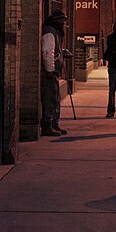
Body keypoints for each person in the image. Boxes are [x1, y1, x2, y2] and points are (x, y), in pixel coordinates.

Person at [40, 8, 71, 136]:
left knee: (55, 98)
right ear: (56, 21)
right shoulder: (49, 32)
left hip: (54, 71)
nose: (63, 23)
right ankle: (47, 125)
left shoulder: (55, 32)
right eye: (62, 21)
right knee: (50, 99)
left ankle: (54, 123)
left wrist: (63, 53)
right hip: (50, 73)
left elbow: (55, 50)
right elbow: (47, 52)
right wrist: (50, 70)